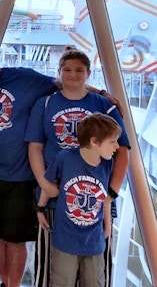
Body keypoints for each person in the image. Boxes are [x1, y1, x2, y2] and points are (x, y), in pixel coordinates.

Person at [0, 39, 119, 287]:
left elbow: (64, 81)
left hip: (22, 176)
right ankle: (5, 282)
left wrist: (99, 92)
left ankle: (13, 285)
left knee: (16, 239)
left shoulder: (24, 78)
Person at [25, 49, 130, 287]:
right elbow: (35, 147)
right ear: (59, 72)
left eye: (79, 70)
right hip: (56, 198)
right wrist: (45, 184)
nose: (73, 75)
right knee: (52, 269)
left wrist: (109, 195)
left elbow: (123, 151)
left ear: (88, 73)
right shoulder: (46, 103)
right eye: (67, 70)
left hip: (96, 199)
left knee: (95, 270)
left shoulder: (103, 105)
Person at [38, 113, 122, 286]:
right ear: (94, 141)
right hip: (66, 240)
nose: (117, 147)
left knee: (94, 281)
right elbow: (48, 183)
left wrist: (107, 226)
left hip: (94, 241)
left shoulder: (107, 163)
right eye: (112, 141)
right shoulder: (65, 158)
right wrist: (40, 208)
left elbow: (104, 197)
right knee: (62, 281)